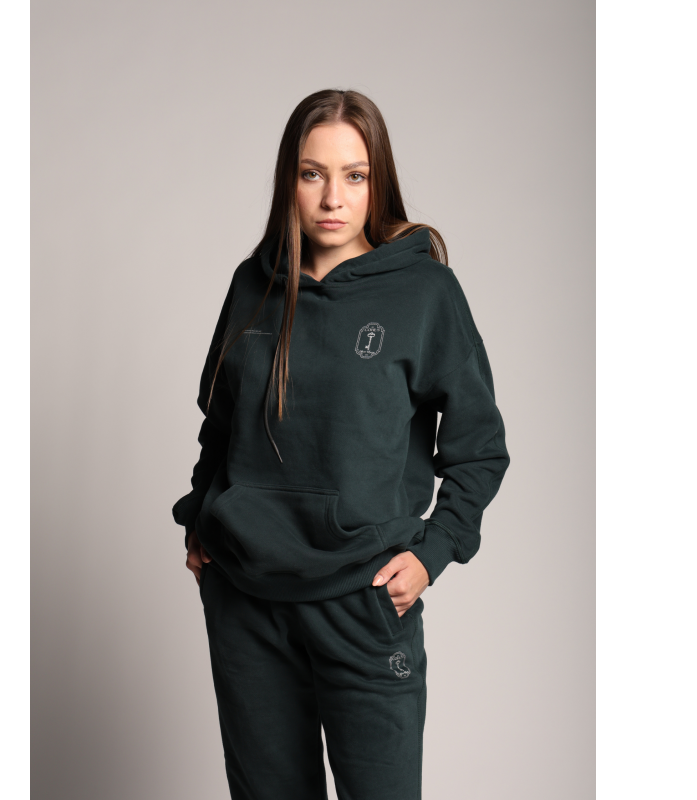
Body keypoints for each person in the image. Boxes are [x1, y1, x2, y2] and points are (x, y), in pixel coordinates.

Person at [172, 88, 511, 800]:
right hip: (247, 601)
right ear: (288, 182)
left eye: (354, 175)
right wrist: (201, 518)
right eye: (312, 173)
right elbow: (222, 424)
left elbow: (480, 446)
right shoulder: (252, 285)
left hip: (362, 601)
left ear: (376, 182)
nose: (333, 197)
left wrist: (434, 552)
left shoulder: (424, 293)